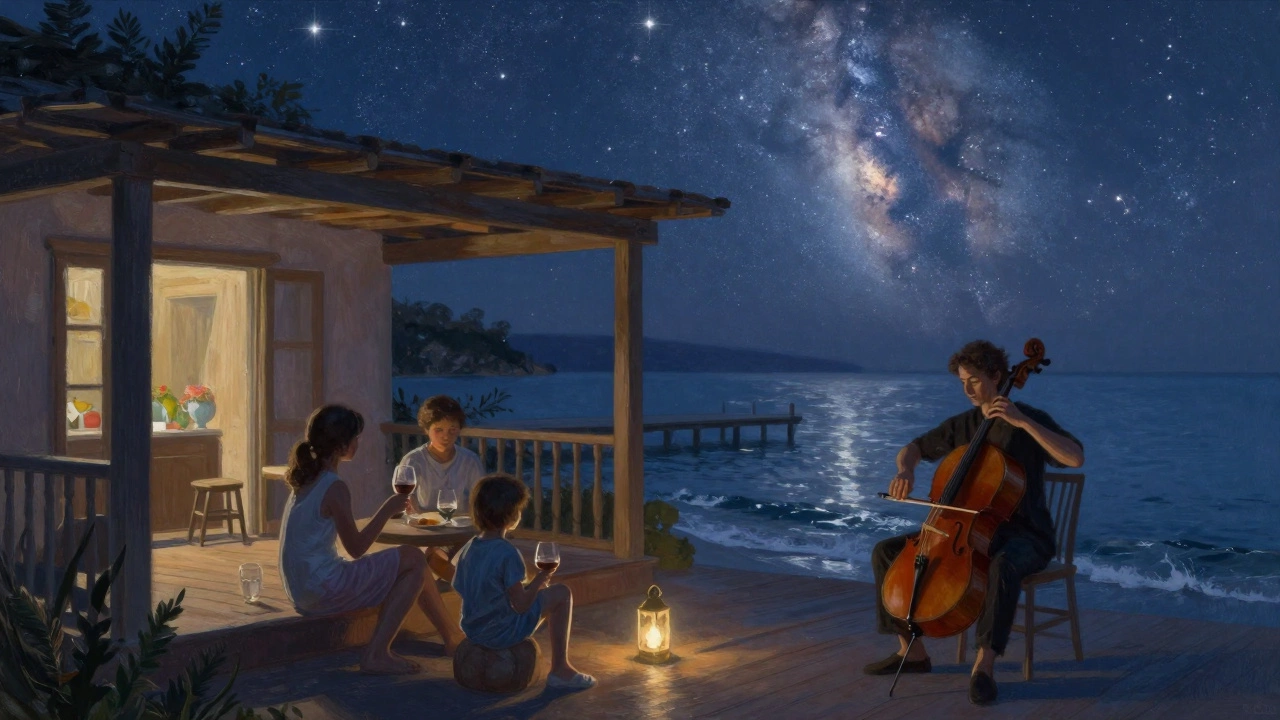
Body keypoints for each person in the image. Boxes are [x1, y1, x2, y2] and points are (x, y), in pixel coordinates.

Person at [862, 340, 1084, 706]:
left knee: (1004, 564)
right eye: (963, 382)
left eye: (975, 381)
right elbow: (913, 448)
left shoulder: (1026, 418)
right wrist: (904, 469)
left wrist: (1023, 422)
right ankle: (911, 652)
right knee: (886, 552)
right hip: (963, 531)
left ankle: (985, 665)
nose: (967, 390)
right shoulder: (964, 424)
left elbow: (1074, 457)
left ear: (997, 376)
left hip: (1025, 535)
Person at [279, 404, 465, 675]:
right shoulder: (334, 486)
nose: (358, 442)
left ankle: (450, 637)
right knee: (413, 558)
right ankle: (378, 653)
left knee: (414, 565)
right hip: (321, 588)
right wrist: (387, 510)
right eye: (355, 437)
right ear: (343, 445)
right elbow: (355, 549)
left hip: (302, 588)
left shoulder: (307, 479)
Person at [452, 472, 597, 690]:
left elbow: (468, 588)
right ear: (511, 515)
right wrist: (539, 580)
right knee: (561, 593)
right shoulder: (507, 553)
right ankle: (560, 669)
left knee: (541, 594)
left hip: (474, 629)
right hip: (501, 632)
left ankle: (561, 668)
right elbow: (520, 605)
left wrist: (530, 588)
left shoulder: (470, 547)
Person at [397, 395, 485, 581]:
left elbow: (481, 501)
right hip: (428, 533)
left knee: (476, 557)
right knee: (432, 558)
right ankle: (472, 591)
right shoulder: (413, 461)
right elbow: (407, 503)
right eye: (439, 430)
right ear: (426, 430)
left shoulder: (469, 461)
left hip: (462, 531)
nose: (446, 436)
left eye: (452, 430)